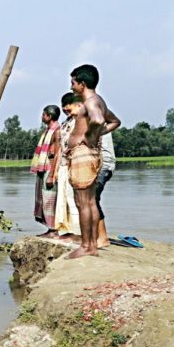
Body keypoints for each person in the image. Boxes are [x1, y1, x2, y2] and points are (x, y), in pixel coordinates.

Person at [66, 64, 121, 259]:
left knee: (83, 202)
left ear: (82, 83)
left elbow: (98, 120)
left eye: (73, 82)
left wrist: (88, 136)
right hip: (88, 154)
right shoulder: (98, 100)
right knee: (89, 202)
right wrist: (97, 134)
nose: (71, 86)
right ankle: (91, 245)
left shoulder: (90, 102)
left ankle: (87, 245)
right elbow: (115, 121)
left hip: (84, 154)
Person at [30, 105, 61, 238]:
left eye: (43, 115)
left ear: (49, 116)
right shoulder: (48, 130)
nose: (42, 117)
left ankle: (53, 230)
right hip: (44, 169)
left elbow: (57, 153)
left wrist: (52, 175)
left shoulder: (56, 131)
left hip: (49, 168)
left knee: (50, 199)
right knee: (43, 199)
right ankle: (50, 229)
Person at [54, 93, 81, 240]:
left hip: (76, 164)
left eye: (67, 105)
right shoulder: (66, 123)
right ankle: (66, 230)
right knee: (63, 198)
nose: (65, 108)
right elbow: (60, 147)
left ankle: (78, 232)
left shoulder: (81, 121)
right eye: (63, 106)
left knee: (73, 198)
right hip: (64, 164)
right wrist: (57, 170)